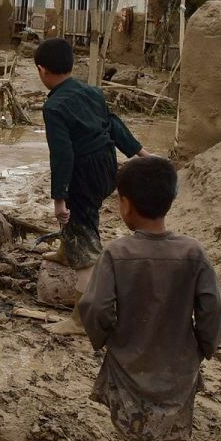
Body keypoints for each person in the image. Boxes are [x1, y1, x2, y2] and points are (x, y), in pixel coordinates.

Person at [78, 156, 221, 441]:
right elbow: (213, 309)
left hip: (130, 362)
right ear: (170, 201)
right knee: (174, 433)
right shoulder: (193, 252)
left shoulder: (116, 253)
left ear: (126, 204)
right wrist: (205, 347)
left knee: (134, 437)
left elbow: (95, 306)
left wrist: (105, 338)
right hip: (179, 364)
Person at [34, 37, 150, 335]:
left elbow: (62, 155)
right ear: (71, 66)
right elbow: (113, 123)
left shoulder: (54, 107)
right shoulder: (92, 92)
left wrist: (59, 199)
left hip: (83, 172)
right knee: (84, 215)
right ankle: (65, 250)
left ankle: (81, 318)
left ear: (42, 70)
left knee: (82, 232)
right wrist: (140, 153)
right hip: (107, 168)